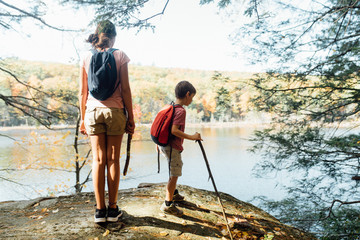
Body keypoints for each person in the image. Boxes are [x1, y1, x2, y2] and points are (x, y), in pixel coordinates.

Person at [78, 20, 135, 223]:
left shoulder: (86, 56)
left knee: (98, 160)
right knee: (113, 160)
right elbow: (126, 89)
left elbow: (83, 92)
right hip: (115, 112)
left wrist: (83, 119)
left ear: (97, 34)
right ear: (114, 37)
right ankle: (112, 209)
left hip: (93, 111)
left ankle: (99, 211)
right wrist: (131, 116)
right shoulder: (120, 55)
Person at [159, 80, 202, 216]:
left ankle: (174, 194)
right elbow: (174, 131)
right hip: (172, 147)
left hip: (164, 145)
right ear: (187, 94)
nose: (191, 100)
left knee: (173, 169)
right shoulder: (181, 111)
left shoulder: (170, 107)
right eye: (192, 97)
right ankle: (167, 204)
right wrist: (193, 136)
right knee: (175, 174)